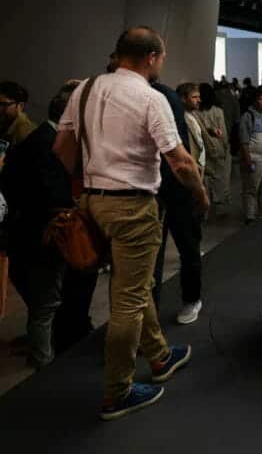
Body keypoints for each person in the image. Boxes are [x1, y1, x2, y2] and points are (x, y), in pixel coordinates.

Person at [51, 26, 209, 420]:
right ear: (152, 57)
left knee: (131, 284)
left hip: (91, 203)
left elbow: (61, 150)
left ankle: (158, 356)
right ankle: (117, 392)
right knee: (129, 301)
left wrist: (90, 181)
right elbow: (180, 161)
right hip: (133, 208)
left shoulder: (84, 90)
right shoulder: (150, 98)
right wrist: (200, 194)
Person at [1, 87, 74, 369]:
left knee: (39, 301)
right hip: (43, 237)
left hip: (22, 234)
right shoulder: (51, 145)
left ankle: (38, 347)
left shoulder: (33, 138)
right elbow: (53, 196)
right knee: (46, 305)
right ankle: (44, 364)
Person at [153, 81, 204, 325]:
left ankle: (192, 299)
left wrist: (198, 190)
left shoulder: (165, 96)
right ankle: (149, 315)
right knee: (152, 258)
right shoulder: (121, 93)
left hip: (175, 187)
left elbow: (181, 157)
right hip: (150, 190)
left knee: (188, 246)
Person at [196, 83, 230, 211]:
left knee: (205, 179)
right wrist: (226, 147)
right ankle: (220, 205)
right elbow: (224, 133)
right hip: (218, 148)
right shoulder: (218, 111)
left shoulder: (195, 113)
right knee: (220, 178)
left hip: (202, 149)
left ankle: (206, 207)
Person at [239, 86, 262, 223]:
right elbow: (244, 141)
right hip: (254, 159)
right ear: (254, 101)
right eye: (260, 99)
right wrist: (248, 160)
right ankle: (249, 217)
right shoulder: (247, 116)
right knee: (251, 189)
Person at [0, 82, 37, 146]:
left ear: (21, 106)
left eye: (5, 104)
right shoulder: (5, 122)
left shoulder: (25, 131)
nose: (0, 109)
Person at [215, 81, 241, 157]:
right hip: (230, 120)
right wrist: (237, 119)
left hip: (220, 121)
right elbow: (237, 108)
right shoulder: (232, 95)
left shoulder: (217, 95)